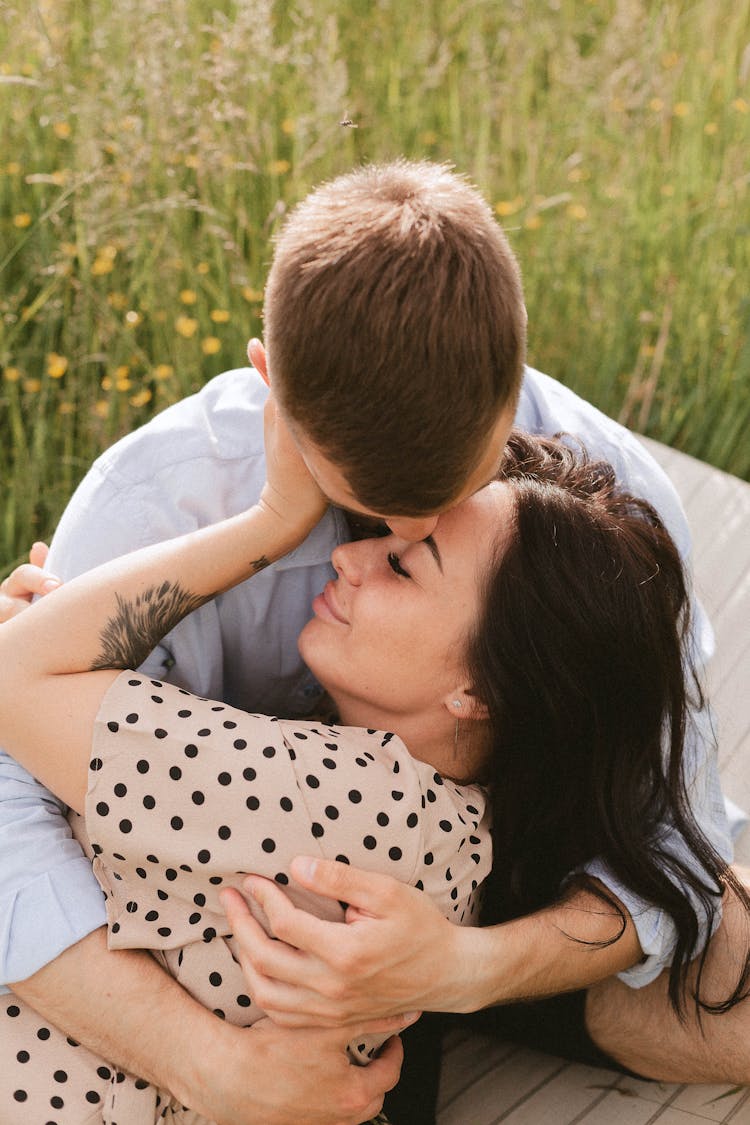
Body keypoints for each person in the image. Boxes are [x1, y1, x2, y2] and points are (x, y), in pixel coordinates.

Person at [0, 158, 743, 1123]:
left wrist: (462, 964)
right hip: (224, 874)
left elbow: (673, 833)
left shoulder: (606, 502)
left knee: (729, 952)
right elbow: (12, 814)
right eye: (366, 512)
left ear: (515, 378)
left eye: (430, 531)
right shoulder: (157, 500)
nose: (368, 548)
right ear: (270, 381)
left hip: (476, 873)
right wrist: (208, 1063)